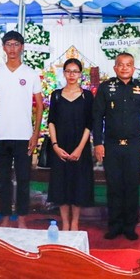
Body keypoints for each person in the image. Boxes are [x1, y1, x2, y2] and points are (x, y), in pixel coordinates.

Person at [93, 52, 140, 240]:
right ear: (115, 67)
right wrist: (98, 143)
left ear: (133, 68)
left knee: (132, 185)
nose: (125, 68)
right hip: (111, 145)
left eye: (129, 65)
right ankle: (115, 225)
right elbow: (97, 117)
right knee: (114, 186)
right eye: (121, 64)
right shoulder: (105, 88)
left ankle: (129, 226)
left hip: (134, 146)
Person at [0, 30, 43, 228]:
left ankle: (21, 218)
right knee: (3, 180)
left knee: (23, 179)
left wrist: (35, 134)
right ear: (3, 48)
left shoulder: (30, 74)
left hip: (24, 136)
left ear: (22, 47)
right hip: (1, 135)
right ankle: (4, 217)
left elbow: (39, 105)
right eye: (8, 44)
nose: (12, 48)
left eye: (16, 44)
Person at [47, 58, 94, 231]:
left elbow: (90, 123)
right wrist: (55, 145)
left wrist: (80, 148)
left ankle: (75, 222)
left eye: (75, 71)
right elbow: (51, 121)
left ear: (81, 74)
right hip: (60, 146)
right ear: (64, 72)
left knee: (78, 184)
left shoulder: (87, 96)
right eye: (68, 71)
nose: (71, 75)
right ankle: (65, 223)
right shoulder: (56, 95)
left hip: (80, 146)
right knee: (61, 185)